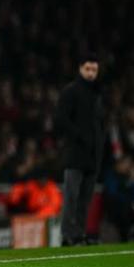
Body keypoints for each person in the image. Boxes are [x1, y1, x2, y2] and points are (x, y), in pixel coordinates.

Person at [55, 53, 105, 246]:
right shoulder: (70, 91)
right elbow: (61, 119)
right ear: (80, 69)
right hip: (75, 153)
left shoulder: (97, 94)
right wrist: (79, 136)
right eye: (88, 69)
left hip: (93, 155)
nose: (91, 73)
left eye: (94, 70)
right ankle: (68, 234)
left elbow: (100, 123)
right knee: (72, 196)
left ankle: (79, 233)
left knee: (85, 198)